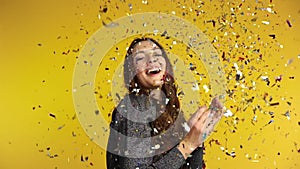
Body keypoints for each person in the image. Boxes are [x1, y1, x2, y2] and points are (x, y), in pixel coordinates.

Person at [106, 37, 223, 169]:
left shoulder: (169, 110)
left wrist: (195, 140)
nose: (151, 59)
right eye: (140, 58)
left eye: (157, 54)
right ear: (131, 71)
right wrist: (187, 145)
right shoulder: (134, 106)